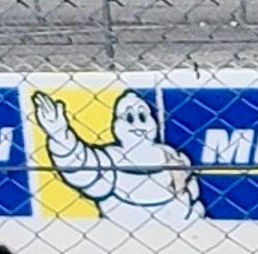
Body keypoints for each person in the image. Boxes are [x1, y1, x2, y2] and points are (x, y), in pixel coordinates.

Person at [30, 88, 200, 221]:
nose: (137, 123)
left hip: (182, 224)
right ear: (116, 125)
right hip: (122, 234)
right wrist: (60, 134)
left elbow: (190, 190)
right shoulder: (111, 158)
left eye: (142, 115)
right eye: (128, 117)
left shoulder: (170, 154)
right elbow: (81, 167)